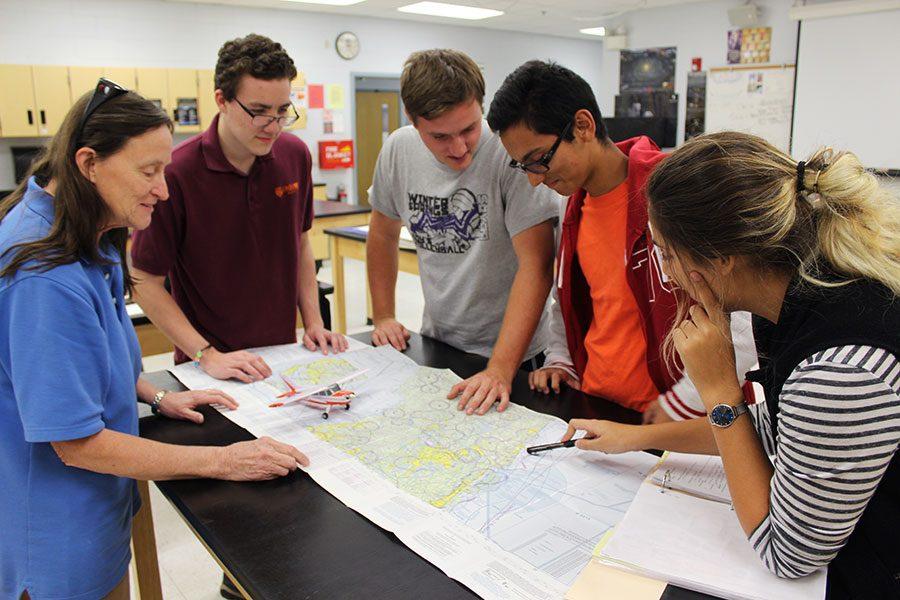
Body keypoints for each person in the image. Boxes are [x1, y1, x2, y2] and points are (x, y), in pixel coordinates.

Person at [0, 81, 308, 600]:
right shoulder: (44, 276)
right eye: (149, 171)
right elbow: (74, 441)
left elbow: (82, 359)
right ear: (88, 163)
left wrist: (155, 394)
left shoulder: (82, 231)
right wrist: (224, 461)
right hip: (54, 533)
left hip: (93, 510)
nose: (163, 190)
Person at [562, 132, 900, 597]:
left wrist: (719, 389)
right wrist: (636, 438)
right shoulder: (801, 291)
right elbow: (779, 429)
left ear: (721, 259)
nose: (667, 274)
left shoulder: (839, 372)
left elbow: (788, 553)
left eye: (666, 254)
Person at [487, 60, 758, 423]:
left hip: (677, 417)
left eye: (539, 161)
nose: (535, 181)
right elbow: (568, 298)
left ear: (583, 126)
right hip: (598, 407)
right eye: (524, 167)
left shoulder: (673, 196)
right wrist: (561, 361)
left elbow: (742, 314)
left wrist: (683, 402)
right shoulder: (573, 204)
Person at [131, 34, 346, 386]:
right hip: (210, 366)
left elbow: (301, 243)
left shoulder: (294, 156)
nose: (273, 126)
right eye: (259, 112)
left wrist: (314, 323)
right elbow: (144, 281)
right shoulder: (177, 173)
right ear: (223, 100)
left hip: (281, 356)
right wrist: (206, 355)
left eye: (282, 111)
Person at [366, 49, 560, 416]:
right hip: (438, 344)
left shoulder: (508, 153)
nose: (459, 149)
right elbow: (382, 234)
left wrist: (500, 369)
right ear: (412, 119)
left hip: (515, 357)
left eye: (469, 129)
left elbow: (536, 266)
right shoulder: (398, 149)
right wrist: (384, 316)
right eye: (440, 136)